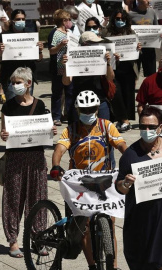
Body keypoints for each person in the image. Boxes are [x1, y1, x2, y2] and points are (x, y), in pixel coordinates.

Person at [51, 90, 127, 270]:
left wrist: (130, 160)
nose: (88, 112)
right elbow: (59, 150)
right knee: (83, 226)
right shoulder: (71, 129)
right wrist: (55, 165)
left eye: (92, 108)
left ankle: (113, 267)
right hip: (80, 184)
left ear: (97, 109)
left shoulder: (106, 126)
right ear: (77, 110)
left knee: (111, 224)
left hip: (104, 181)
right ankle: (92, 265)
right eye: (84, 109)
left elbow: (122, 145)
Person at [0, 67, 57, 258]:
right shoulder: (7, 106)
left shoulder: (40, 105)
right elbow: (3, 132)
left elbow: (46, 129)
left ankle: (38, 238)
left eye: (18, 82)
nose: (15, 85)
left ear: (28, 84)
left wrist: (51, 131)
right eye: (13, 82)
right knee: (13, 200)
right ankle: (13, 240)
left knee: (37, 199)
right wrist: (3, 134)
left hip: (36, 159)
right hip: (15, 159)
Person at [116, 106, 162, 270]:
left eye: (151, 127)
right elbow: (120, 187)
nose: (146, 130)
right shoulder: (130, 155)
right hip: (141, 224)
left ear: (160, 128)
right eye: (143, 127)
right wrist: (126, 183)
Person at [101, 8, 140, 132]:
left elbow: (137, 53)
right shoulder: (106, 32)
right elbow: (102, 47)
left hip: (128, 67)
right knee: (115, 93)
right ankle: (121, 118)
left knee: (128, 94)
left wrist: (138, 48)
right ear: (113, 19)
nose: (120, 21)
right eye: (117, 19)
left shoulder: (131, 32)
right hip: (113, 67)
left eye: (122, 19)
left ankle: (125, 119)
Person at [0, 9, 43, 99]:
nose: (21, 21)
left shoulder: (30, 36)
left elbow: (39, 59)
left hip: (27, 77)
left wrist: (39, 50)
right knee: (13, 107)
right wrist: (0, 53)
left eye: (23, 19)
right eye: (18, 19)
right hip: (10, 78)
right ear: (12, 21)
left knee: (26, 103)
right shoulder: (4, 37)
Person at [49, 9, 74, 127]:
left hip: (70, 67)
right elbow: (51, 51)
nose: (70, 22)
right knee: (58, 93)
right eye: (68, 19)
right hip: (58, 67)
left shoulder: (70, 32)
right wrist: (60, 45)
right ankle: (56, 116)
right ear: (63, 21)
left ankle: (69, 114)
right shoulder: (54, 33)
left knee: (70, 92)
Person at [129, 0, 158, 77]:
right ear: (140, 3)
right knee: (134, 73)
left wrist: (159, 34)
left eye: (148, 3)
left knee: (151, 73)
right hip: (137, 48)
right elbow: (128, 30)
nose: (148, 5)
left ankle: (149, 88)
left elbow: (156, 27)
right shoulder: (131, 14)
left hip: (150, 47)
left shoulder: (152, 12)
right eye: (147, 3)